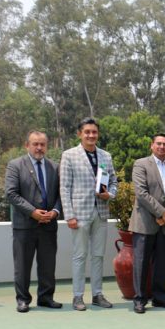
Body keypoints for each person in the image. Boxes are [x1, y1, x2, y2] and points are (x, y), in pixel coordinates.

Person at [59, 117, 118, 311]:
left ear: (97, 134)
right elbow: (65, 187)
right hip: (80, 214)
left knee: (98, 256)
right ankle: (77, 296)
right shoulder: (69, 155)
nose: (91, 135)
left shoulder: (105, 156)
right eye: (87, 132)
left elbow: (114, 184)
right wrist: (69, 215)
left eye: (94, 132)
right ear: (80, 134)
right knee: (79, 256)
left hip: (101, 212)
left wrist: (109, 194)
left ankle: (97, 294)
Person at [5, 130, 63, 313]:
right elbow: (11, 193)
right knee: (22, 265)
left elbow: (62, 194)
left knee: (48, 265)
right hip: (25, 225)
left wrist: (55, 211)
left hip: (49, 225)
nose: (39, 148)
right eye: (35, 144)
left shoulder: (55, 167)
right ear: (27, 145)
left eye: (42, 144)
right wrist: (33, 212)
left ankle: (46, 298)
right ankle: (23, 299)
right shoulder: (15, 165)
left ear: (47, 146)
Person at [129, 133, 165, 314]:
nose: (162, 147)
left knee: (161, 263)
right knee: (141, 262)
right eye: (158, 144)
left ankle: (160, 298)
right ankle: (140, 299)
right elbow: (141, 193)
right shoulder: (141, 164)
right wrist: (162, 213)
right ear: (152, 145)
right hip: (145, 222)